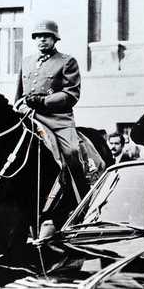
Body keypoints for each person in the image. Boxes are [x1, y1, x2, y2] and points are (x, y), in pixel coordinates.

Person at [14, 19, 88, 201]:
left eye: (46, 36)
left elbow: (71, 94)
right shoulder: (26, 61)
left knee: (71, 151)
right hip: (27, 115)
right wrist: (18, 106)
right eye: (38, 37)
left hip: (57, 119)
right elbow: (18, 93)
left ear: (55, 39)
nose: (42, 40)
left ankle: (80, 193)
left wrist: (44, 101)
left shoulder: (67, 61)